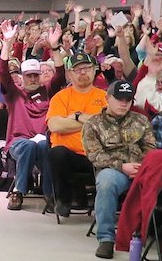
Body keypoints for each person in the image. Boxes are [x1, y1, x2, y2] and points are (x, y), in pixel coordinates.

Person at [80, 80, 156, 259]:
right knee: (106, 183)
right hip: (112, 170)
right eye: (119, 98)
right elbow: (94, 155)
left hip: (141, 169)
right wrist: (121, 166)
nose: (124, 103)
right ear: (107, 98)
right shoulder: (92, 124)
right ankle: (106, 238)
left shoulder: (142, 121)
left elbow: (151, 148)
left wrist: (141, 167)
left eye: (128, 99)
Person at [1, 28, 67, 209]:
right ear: (21, 77)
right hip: (18, 142)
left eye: (35, 75)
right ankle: (18, 192)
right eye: (28, 75)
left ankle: (49, 192)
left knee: (46, 145)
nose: (32, 79)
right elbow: (3, 74)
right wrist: (7, 44)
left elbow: (61, 74)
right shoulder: (14, 94)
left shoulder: (48, 91)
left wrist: (54, 47)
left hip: (43, 140)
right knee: (30, 145)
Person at [46, 53, 108, 217]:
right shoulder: (60, 97)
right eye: (77, 69)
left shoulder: (105, 97)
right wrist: (92, 121)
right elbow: (55, 125)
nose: (82, 72)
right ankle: (64, 199)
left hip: (98, 154)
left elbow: (107, 126)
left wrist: (77, 116)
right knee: (56, 153)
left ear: (94, 70)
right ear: (70, 74)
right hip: (70, 155)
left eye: (86, 68)